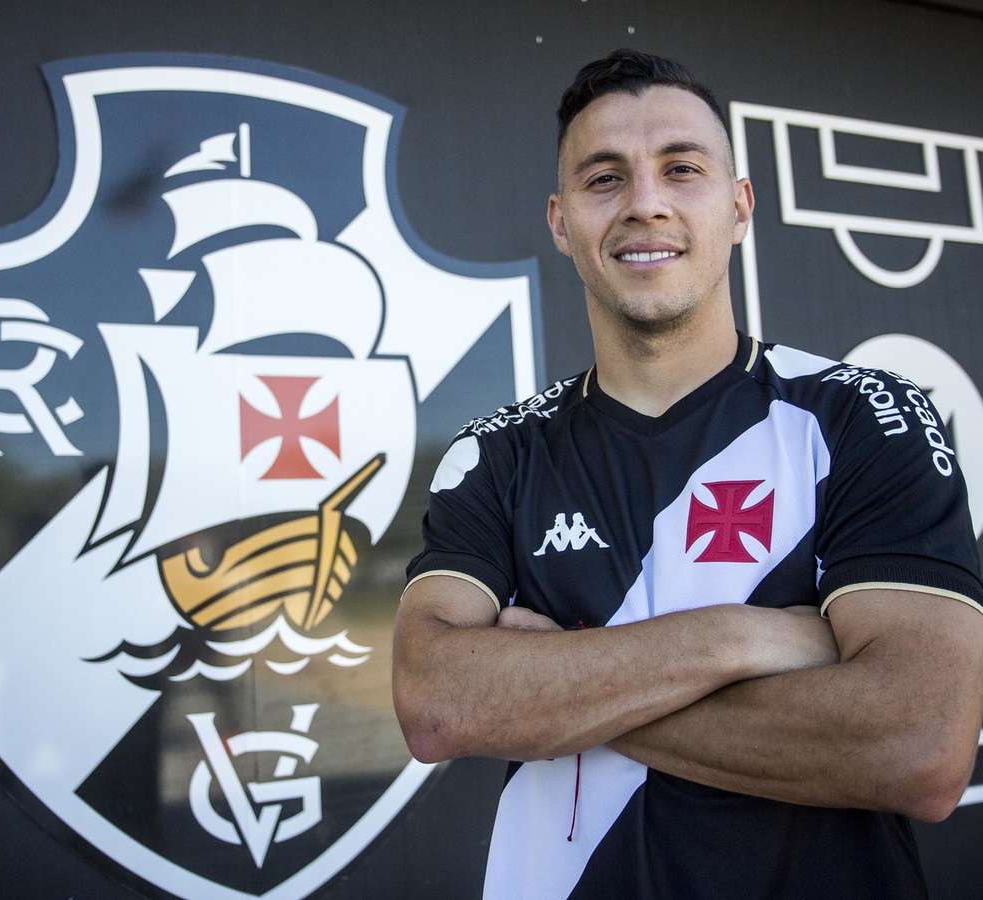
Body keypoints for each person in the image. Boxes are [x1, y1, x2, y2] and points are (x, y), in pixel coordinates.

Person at [391, 49, 983, 899]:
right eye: (604, 179)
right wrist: (739, 637)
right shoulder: (500, 452)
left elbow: (919, 745)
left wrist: (553, 685)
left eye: (681, 169)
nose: (645, 202)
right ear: (560, 222)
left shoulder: (864, 416)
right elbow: (437, 703)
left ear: (739, 206)